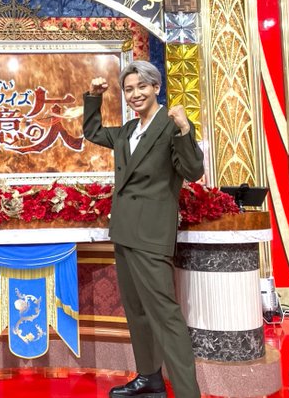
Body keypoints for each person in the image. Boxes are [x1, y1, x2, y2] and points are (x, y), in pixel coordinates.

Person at [83, 61, 204, 398]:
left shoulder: (171, 126)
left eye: (141, 87)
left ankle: (187, 393)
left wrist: (185, 129)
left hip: (151, 234)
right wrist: (93, 96)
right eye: (129, 89)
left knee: (165, 316)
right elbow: (93, 132)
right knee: (137, 312)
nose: (135, 94)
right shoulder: (128, 131)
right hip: (124, 231)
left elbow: (193, 171)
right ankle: (150, 378)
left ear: (156, 88)